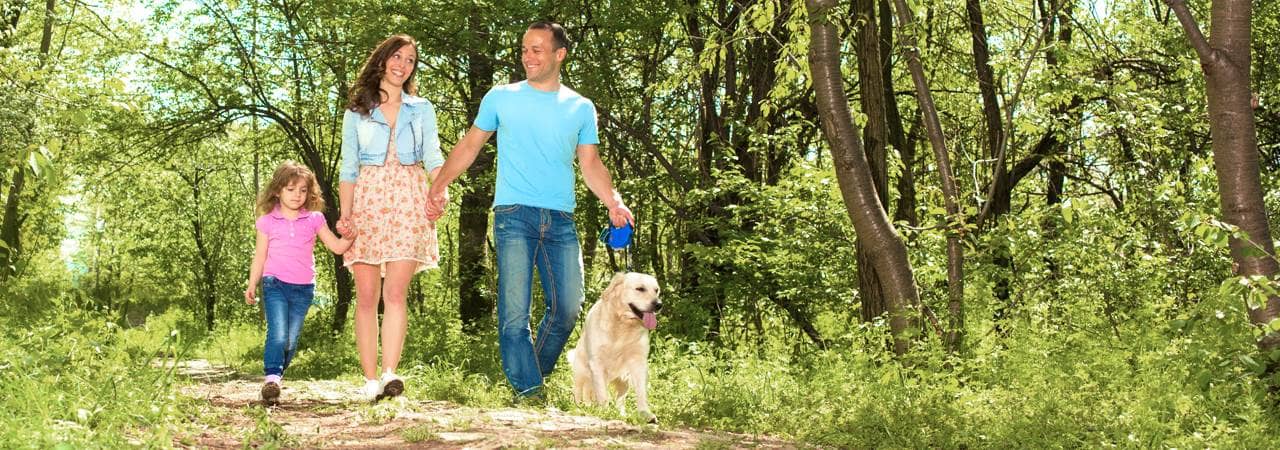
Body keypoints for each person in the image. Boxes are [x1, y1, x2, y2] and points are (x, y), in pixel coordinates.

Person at [426, 21, 633, 402]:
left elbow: (590, 164)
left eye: (537, 49)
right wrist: (438, 186)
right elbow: (470, 146)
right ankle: (531, 392)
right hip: (513, 214)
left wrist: (613, 201)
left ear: (559, 54)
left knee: (568, 308)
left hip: (560, 219)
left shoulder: (580, 107)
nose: (528, 56)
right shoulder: (500, 97)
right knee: (514, 314)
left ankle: (529, 379)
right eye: (524, 49)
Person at [337, 34, 446, 401]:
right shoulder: (357, 112)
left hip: (409, 199)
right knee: (367, 295)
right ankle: (369, 380)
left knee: (396, 293)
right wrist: (345, 215)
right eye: (397, 56)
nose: (403, 64)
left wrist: (439, 190)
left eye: (411, 60)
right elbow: (348, 168)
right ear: (382, 61)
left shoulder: (422, 109)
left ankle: (389, 374)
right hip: (367, 199)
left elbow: (433, 155)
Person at [245, 161, 356, 404]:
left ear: (310, 192)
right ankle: (271, 379)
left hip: (304, 288)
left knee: (291, 340)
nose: (297, 195)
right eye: (291, 189)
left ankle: (276, 380)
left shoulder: (314, 219)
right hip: (274, 283)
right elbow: (260, 256)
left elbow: (336, 247)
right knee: (278, 334)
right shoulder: (267, 221)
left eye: (303, 190)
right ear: (277, 191)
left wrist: (351, 237)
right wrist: (252, 284)